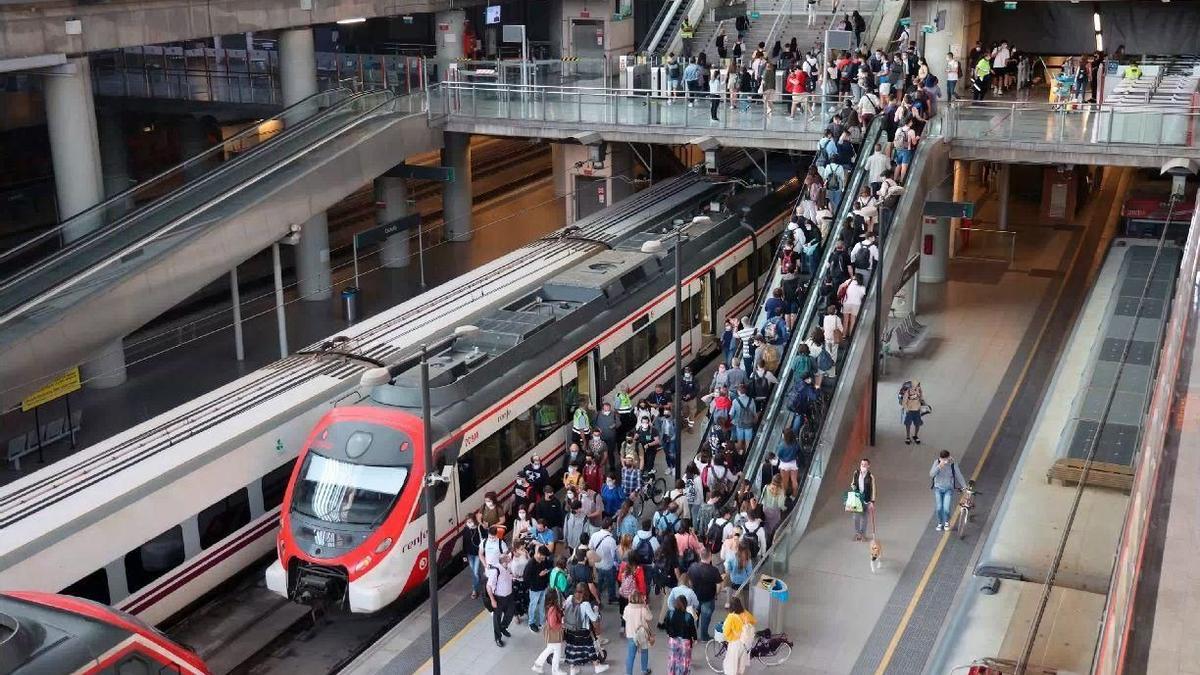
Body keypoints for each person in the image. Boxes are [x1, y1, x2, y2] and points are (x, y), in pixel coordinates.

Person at [563, 583, 610, 674]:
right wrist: (596, 610)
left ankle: (573, 668)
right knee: (589, 647)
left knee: (573, 648)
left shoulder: (569, 598)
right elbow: (594, 618)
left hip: (570, 629)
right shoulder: (585, 604)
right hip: (582, 631)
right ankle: (597, 666)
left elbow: (564, 608)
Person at [532, 587, 566, 675]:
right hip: (554, 632)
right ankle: (555, 670)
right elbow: (553, 624)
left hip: (550, 631)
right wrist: (562, 625)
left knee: (550, 649)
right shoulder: (553, 609)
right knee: (556, 650)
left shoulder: (548, 606)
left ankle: (538, 665)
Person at [930, 450, 966, 531]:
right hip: (938, 489)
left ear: (949, 457)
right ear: (940, 458)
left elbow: (959, 476)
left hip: (948, 489)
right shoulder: (937, 462)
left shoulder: (953, 464)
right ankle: (940, 523)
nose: (945, 461)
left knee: (946, 508)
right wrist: (939, 466)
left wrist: (964, 487)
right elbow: (931, 474)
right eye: (943, 459)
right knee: (939, 508)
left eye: (946, 459)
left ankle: (946, 522)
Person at [623, 591, 655, 675]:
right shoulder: (643, 609)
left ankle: (629, 673)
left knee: (631, 656)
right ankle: (644, 670)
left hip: (631, 635)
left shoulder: (627, 608)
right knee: (644, 652)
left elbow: (625, 618)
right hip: (642, 635)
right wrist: (646, 605)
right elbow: (650, 617)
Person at [486, 554, 515, 647]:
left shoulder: (508, 567)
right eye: (508, 558)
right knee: (497, 618)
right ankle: (498, 638)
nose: (510, 559)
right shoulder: (496, 571)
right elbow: (489, 586)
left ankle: (503, 627)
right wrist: (492, 600)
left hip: (509, 596)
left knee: (510, 613)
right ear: (504, 562)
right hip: (499, 598)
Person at [665, 594, 698, 674]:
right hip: (685, 641)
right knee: (684, 661)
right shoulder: (688, 616)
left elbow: (666, 625)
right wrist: (695, 638)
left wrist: (669, 633)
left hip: (673, 640)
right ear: (685, 604)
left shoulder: (670, 613)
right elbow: (692, 630)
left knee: (673, 659)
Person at [589, 519, 620, 603]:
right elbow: (614, 555)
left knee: (599, 583)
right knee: (611, 583)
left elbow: (590, 548)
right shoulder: (611, 540)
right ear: (609, 527)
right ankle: (611, 598)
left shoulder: (594, 535)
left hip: (597, 565)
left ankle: (597, 598)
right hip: (608, 566)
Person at [527, 544, 554, 631]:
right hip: (535, 589)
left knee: (542, 605)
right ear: (538, 554)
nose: (544, 559)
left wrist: (547, 571)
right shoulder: (531, 564)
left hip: (543, 587)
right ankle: (531, 622)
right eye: (543, 557)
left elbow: (549, 565)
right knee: (533, 606)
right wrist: (539, 575)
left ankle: (542, 621)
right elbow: (526, 578)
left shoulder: (544, 560)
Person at [850, 458, 877, 541]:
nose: (863, 466)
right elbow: (853, 483)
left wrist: (872, 502)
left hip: (866, 500)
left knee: (864, 518)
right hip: (858, 499)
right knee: (856, 517)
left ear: (868, 466)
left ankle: (863, 534)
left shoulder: (870, 477)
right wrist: (853, 487)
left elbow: (873, 489)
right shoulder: (856, 473)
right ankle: (857, 533)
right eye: (862, 464)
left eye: (865, 465)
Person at [461, 512, 486, 599]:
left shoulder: (479, 528)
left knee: (475, 572)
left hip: (478, 553)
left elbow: (484, 538)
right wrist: (464, 555)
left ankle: (475, 589)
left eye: (471, 522)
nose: (469, 524)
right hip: (469, 554)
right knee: (474, 572)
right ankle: (480, 583)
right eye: (468, 522)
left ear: (474, 521)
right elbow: (464, 543)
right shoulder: (466, 530)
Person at [900, 379, 925, 444]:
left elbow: (921, 399)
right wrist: (907, 409)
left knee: (918, 424)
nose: (918, 386)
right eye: (917, 385)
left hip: (917, 410)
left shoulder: (919, 391)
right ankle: (908, 437)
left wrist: (921, 399)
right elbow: (904, 402)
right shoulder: (907, 392)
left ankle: (915, 436)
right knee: (908, 424)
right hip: (910, 411)